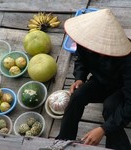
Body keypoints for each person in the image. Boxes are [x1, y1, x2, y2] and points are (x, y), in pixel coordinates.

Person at [56, 8, 131, 150]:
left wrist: (103, 129)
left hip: (121, 89)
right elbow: (80, 61)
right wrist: (80, 78)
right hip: (100, 82)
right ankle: (62, 141)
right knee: (77, 96)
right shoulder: (86, 41)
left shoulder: (127, 59)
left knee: (110, 107)